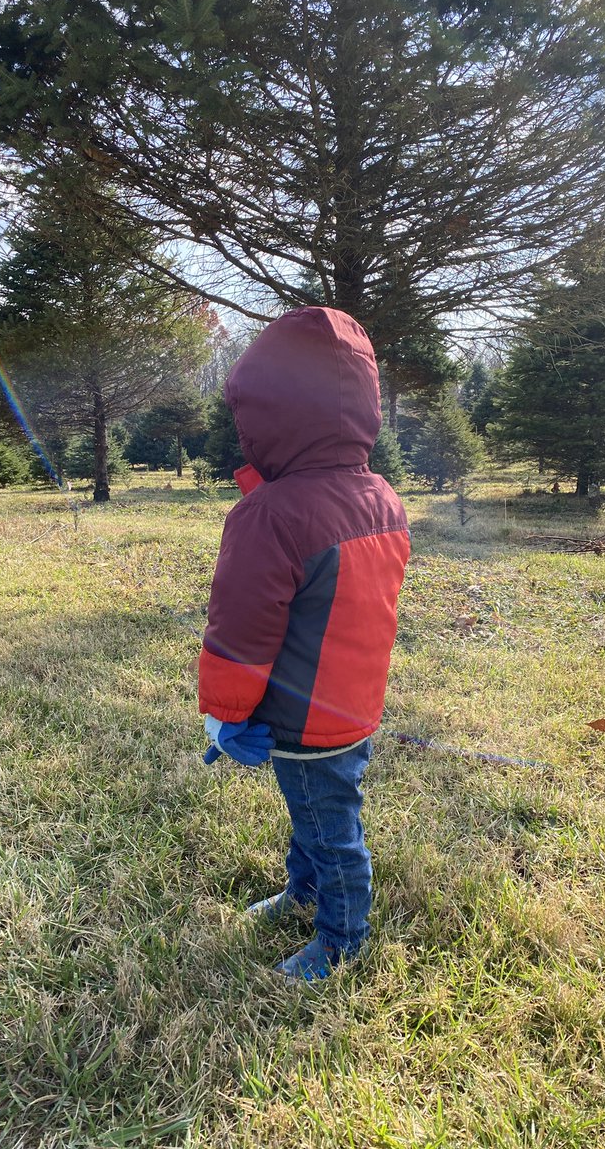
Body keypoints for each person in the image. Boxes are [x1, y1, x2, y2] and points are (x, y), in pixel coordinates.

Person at [198, 306, 410, 981]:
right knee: (313, 813)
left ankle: (342, 939)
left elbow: (242, 632)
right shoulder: (383, 498)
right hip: (355, 707)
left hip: (304, 720)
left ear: (273, 415)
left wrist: (228, 713)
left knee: (330, 829)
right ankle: (302, 891)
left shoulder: (270, 515)